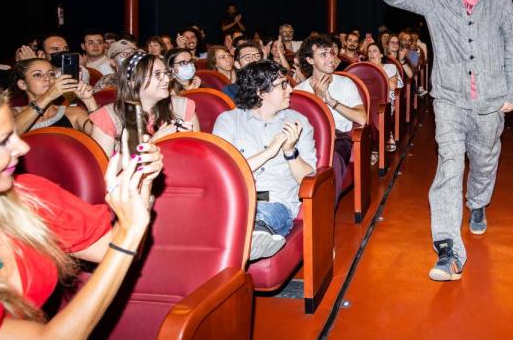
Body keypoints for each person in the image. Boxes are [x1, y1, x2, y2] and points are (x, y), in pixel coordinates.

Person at [0, 75, 162, 340]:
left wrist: (139, 184)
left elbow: (110, 249)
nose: (23, 146)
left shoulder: (29, 197)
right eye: (1, 142)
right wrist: (128, 234)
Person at [382, 0, 513, 282]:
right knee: (448, 167)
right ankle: (447, 248)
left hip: (491, 101)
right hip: (448, 100)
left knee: (485, 160)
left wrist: (512, 92)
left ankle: (477, 203)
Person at [212, 61, 317, 261]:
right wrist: (270, 151)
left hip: (276, 203)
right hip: (237, 198)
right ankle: (248, 238)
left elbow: (308, 179)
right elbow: (227, 171)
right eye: (282, 84)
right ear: (261, 92)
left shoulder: (298, 122)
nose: (291, 89)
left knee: (261, 213)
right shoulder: (228, 121)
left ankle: (249, 238)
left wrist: (289, 151)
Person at [296, 35, 367, 203]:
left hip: (340, 138)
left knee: (330, 160)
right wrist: (318, 99)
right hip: (310, 138)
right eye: (323, 55)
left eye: (331, 53)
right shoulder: (300, 90)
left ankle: (322, 212)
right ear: (310, 60)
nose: (330, 59)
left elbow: (362, 118)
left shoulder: (346, 83)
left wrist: (330, 102)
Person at [89, 52, 200, 158]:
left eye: (166, 73)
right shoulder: (108, 117)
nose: (166, 80)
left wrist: (188, 141)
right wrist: (151, 144)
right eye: (157, 74)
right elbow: (103, 169)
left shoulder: (183, 107)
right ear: (132, 82)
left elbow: (200, 157)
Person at [12, 58, 96, 134]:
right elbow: (9, 135)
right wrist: (48, 96)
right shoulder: (13, 113)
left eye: (51, 74)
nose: (47, 78)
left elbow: (101, 136)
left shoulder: (72, 112)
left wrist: (89, 101)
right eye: (38, 75)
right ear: (22, 84)